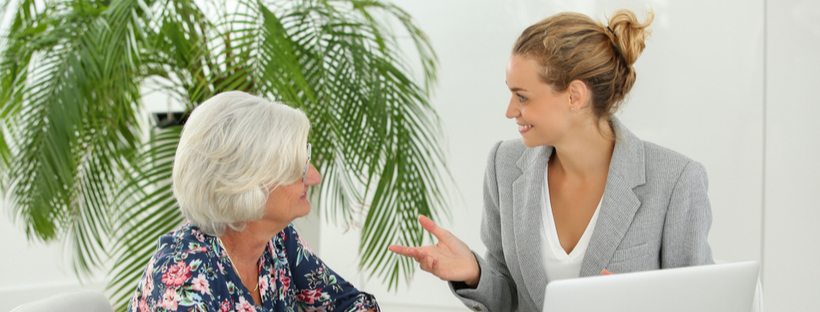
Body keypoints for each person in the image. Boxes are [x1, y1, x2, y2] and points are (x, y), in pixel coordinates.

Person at [389, 9, 714, 312]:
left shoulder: (675, 181)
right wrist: (475, 273)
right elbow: (510, 297)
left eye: (523, 96)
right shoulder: (504, 165)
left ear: (574, 96)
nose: (510, 111)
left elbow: (704, 302)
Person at [127, 91, 378, 312]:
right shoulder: (182, 279)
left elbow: (351, 304)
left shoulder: (277, 241)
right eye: (296, 165)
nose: (314, 176)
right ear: (245, 182)